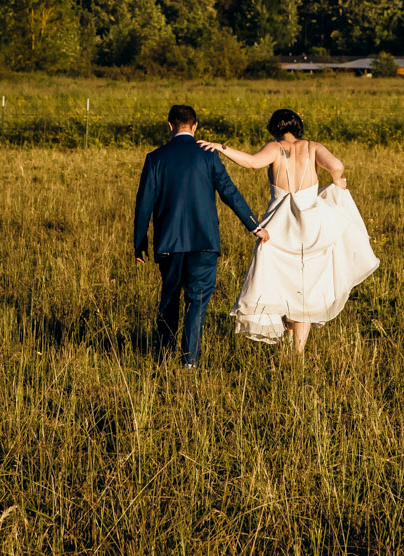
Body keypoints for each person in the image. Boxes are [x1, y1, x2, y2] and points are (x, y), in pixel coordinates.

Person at [202, 108, 378, 353]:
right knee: (306, 289)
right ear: (298, 127)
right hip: (311, 226)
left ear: (275, 129)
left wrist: (221, 147)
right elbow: (337, 166)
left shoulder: (275, 148)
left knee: (277, 281)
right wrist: (337, 180)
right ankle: (298, 353)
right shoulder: (313, 147)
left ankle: (286, 335)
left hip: (280, 224)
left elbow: (252, 163)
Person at [133, 103, 269, 367]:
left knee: (169, 299)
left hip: (168, 244)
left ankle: (162, 359)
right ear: (195, 126)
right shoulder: (208, 155)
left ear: (169, 125)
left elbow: (143, 204)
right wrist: (255, 225)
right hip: (205, 243)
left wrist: (140, 243)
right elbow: (230, 193)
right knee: (196, 302)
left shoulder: (155, 158)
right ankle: (189, 363)